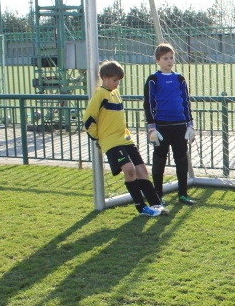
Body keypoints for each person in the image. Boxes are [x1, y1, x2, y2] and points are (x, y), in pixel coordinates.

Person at [84, 60, 164, 217]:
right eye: (114, 80)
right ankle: (141, 208)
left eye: (119, 80)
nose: (117, 83)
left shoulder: (115, 93)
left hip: (125, 138)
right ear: (105, 77)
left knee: (142, 170)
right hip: (111, 142)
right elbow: (88, 120)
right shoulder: (100, 94)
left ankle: (155, 203)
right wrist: (98, 138)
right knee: (129, 170)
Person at [143, 43, 196, 206]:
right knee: (159, 160)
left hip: (180, 125)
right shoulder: (153, 79)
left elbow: (186, 102)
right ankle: (157, 195)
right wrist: (151, 126)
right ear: (158, 60)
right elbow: (148, 103)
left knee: (181, 159)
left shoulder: (180, 78)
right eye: (165, 58)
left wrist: (190, 124)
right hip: (161, 127)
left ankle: (183, 194)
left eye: (171, 57)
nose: (169, 61)